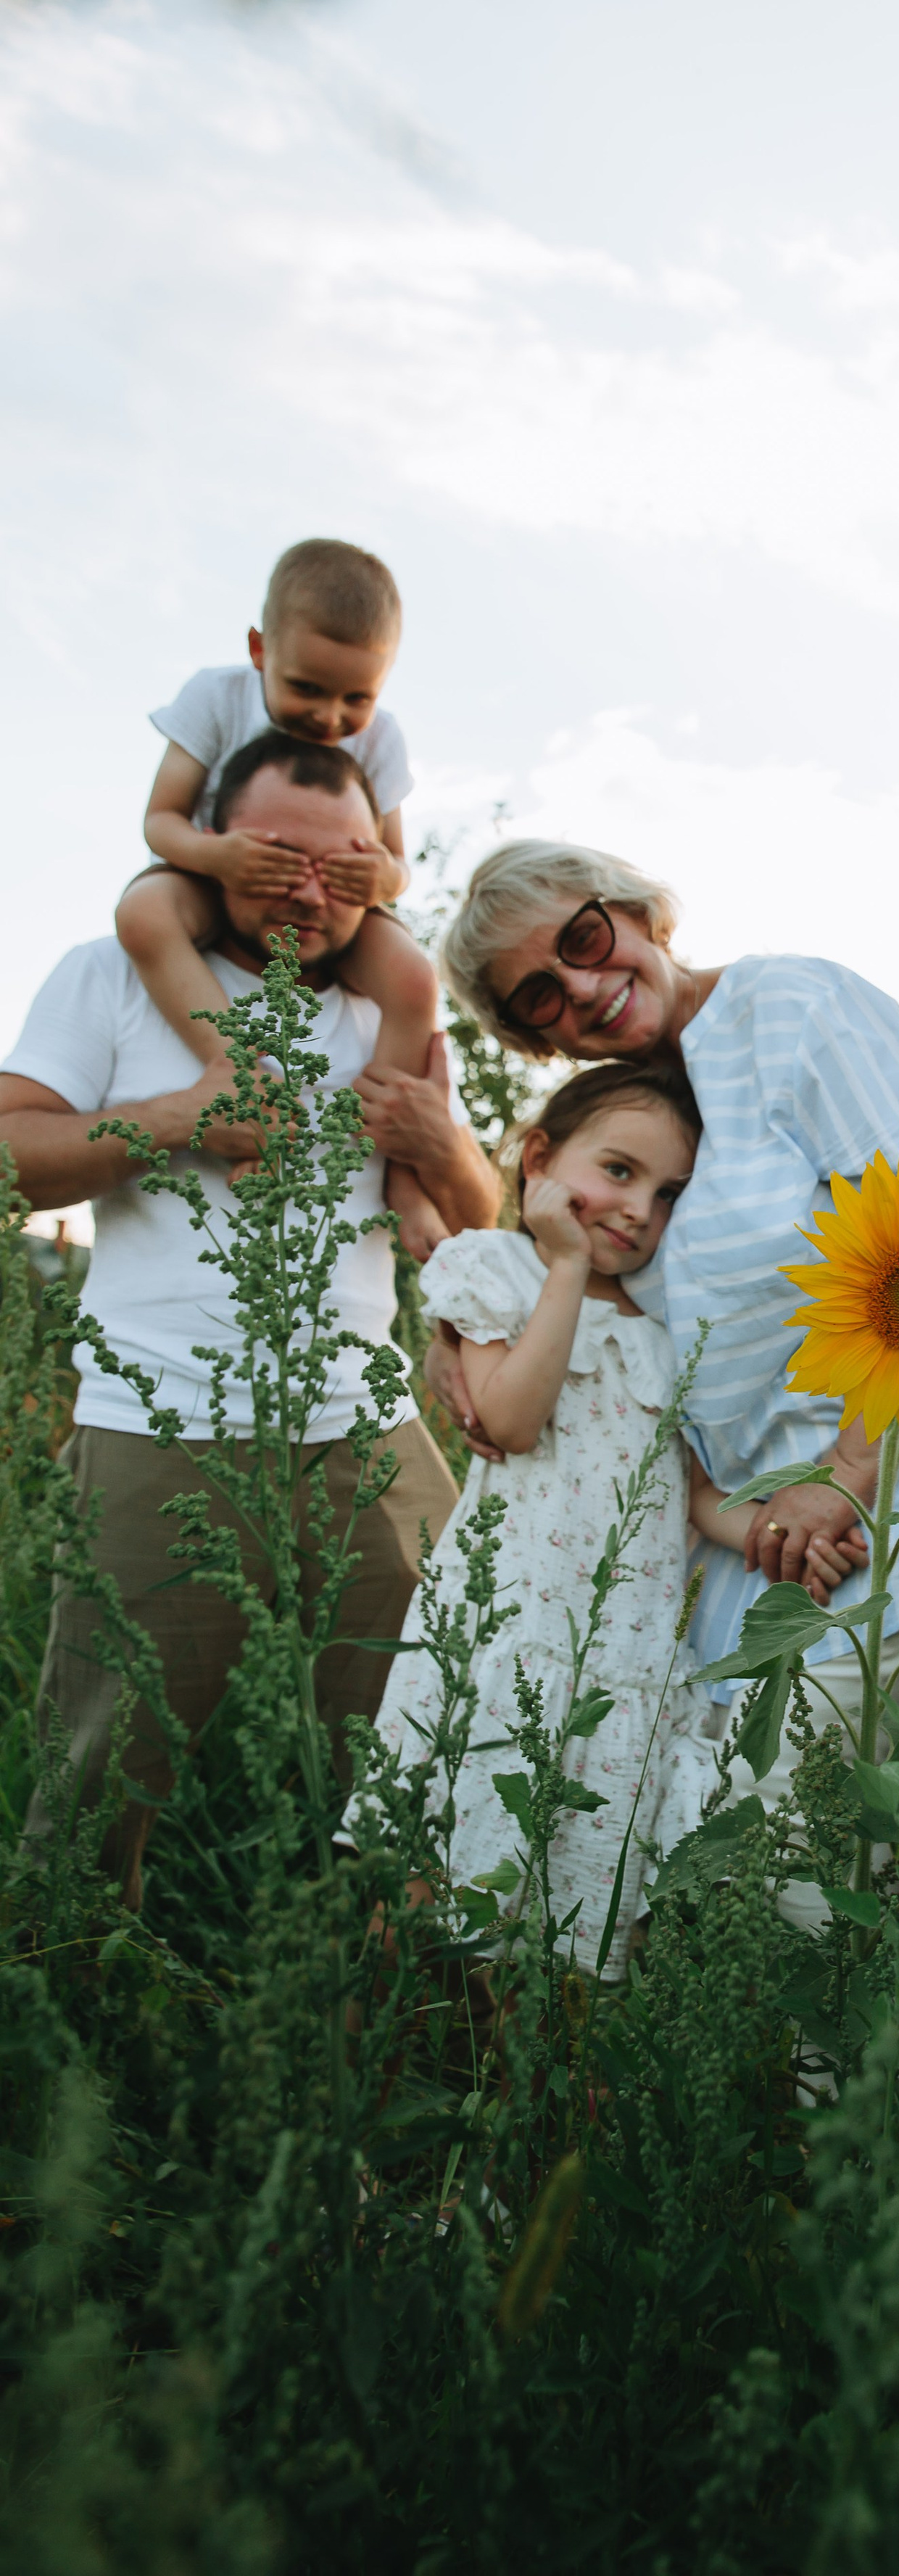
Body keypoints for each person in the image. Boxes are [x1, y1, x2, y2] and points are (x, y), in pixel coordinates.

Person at [1, 735, 497, 1907]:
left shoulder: (388, 1006)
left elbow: (473, 1226)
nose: (309, 895)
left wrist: (453, 1147)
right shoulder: (110, 977)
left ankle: (400, 2018)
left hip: (364, 1435)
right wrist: (179, 1117)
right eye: (279, 861)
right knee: (93, 1787)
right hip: (154, 1428)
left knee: (444, 1741)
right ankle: (65, 2046)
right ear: (218, 847)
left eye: (345, 869)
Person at [431, 841, 899, 1772]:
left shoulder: (788, 1010)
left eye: (583, 936)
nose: (580, 985)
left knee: (815, 1872)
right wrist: (460, 1329)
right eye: (538, 994)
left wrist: (848, 1472)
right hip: (740, 1571)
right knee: (731, 1881)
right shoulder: (640, 1113)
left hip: (890, 1533)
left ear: (636, 910)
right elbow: (590, 1300)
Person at [363, 1062, 846, 1970]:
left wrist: (781, 1535)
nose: (638, 1211)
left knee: (567, 1912)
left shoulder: (666, 1330)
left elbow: (687, 1493)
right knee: (418, 1880)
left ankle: (527, 2098)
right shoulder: (497, 1269)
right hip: (502, 1632)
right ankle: (364, 2072)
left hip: (617, 1653)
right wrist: (568, 1266)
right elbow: (508, 1416)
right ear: (538, 1158)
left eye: (669, 1195)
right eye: (618, 1172)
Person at [116, 537, 447, 1255]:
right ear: (260, 650)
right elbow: (161, 820)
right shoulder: (216, 695)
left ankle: (396, 1173)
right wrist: (217, 855)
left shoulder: (383, 739)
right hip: (213, 878)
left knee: (416, 979)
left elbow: (397, 866)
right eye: (307, 690)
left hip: (333, 904)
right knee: (141, 915)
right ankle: (242, 1083)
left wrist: (380, 881)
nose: (330, 718)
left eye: (357, 697)